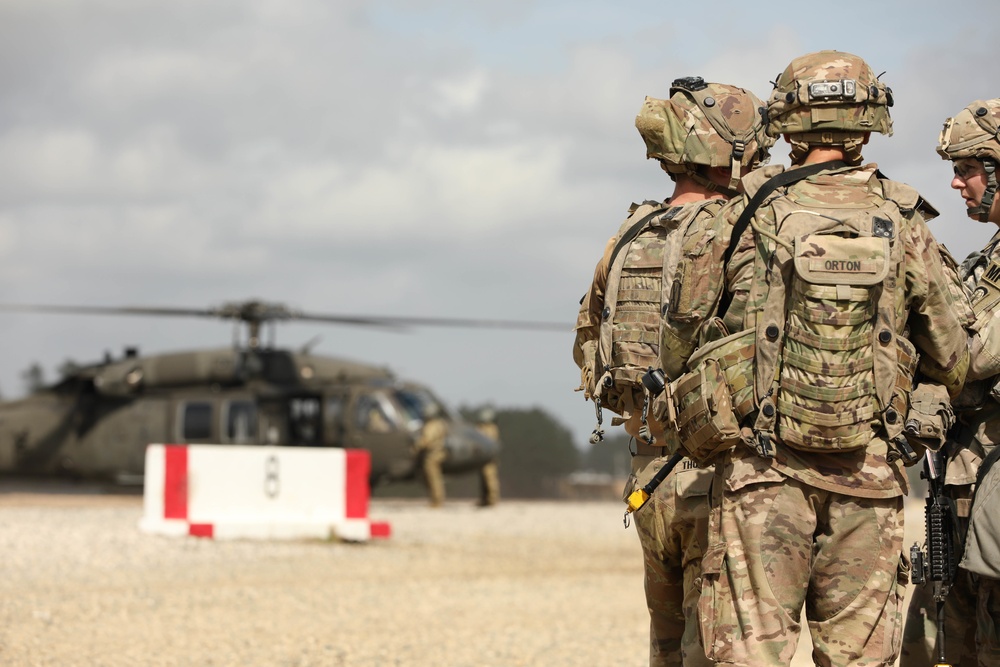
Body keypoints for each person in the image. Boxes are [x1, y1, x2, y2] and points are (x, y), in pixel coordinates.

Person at [682, 51, 971, 666]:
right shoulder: (904, 217)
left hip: (762, 475)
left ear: (786, 123)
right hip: (868, 476)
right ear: (868, 124)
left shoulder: (745, 211)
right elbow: (952, 357)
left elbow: (684, 337)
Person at [573, 78, 771, 666]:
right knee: (711, 647)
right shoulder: (737, 232)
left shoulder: (632, 233)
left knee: (666, 645)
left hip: (645, 472)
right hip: (713, 475)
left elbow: (589, 338)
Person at [901, 98, 1000, 667]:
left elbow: (969, 356)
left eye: (969, 169)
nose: (958, 183)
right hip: (965, 482)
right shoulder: (989, 256)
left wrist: (921, 259)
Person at [415, 402, 448, 507]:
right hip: (439, 454)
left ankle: (436, 502)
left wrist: (416, 447)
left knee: (433, 479)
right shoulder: (440, 424)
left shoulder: (430, 426)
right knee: (436, 479)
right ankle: (437, 500)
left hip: (432, 456)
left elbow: (426, 441)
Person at [473, 407, 501, 507]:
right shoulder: (480, 428)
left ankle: (492, 500)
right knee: (483, 480)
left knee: (490, 479)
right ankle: (485, 500)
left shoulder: (491, 429)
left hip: (489, 458)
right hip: (482, 458)